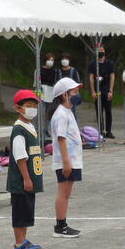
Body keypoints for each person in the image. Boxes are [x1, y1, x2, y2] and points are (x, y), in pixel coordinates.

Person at [8, 89, 44, 249]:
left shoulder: (29, 126)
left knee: (27, 210)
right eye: (28, 106)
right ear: (18, 108)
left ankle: (23, 239)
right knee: (20, 211)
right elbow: (20, 156)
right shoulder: (19, 129)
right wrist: (26, 178)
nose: (32, 109)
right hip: (21, 180)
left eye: (34, 106)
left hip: (30, 178)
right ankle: (19, 243)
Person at [49, 78, 83, 238]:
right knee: (63, 193)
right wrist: (66, 161)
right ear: (64, 95)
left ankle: (62, 224)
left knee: (66, 193)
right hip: (66, 161)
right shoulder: (61, 114)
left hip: (71, 159)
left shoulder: (67, 112)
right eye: (74, 92)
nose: (77, 95)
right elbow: (61, 139)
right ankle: (60, 226)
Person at [88, 46, 116, 138]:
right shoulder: (92, 64)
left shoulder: (110, 63)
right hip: (97, 91)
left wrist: (110, 90)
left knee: (108, 111)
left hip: (107, 90)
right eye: (99, 50)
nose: (101, 51)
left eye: (102, 50)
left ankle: (108, 131)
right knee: (99, 112)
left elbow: (112, 77)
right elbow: (91, 78)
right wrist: (93, 91)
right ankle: (101, 131)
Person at [55, 53, 82, 118]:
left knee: (72, 112)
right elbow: (56, 83)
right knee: (61, 111)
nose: (64, 60)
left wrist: (76, 93)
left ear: (69, 60)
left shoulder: (74, 70)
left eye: (66, 59)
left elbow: (78, 83)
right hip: (61, 95)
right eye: (63, 59)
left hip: (72, 95)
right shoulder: (58, 71)